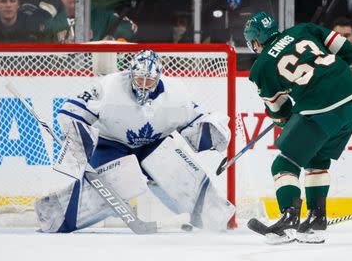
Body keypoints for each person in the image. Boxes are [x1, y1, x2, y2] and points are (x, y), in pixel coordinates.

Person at [34, 49, 235, 233]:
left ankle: (213, 215)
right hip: (111, 142)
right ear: (130, 74)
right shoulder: (109, 86)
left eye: (149, 81)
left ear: (158, 79)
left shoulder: (176, 95)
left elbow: (196, 121)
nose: (143, 86)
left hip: (153, 144)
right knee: (119, 180)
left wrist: (211, 131)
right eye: (139, 80)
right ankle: (56, 216)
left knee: (173, 166)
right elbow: (72, 110)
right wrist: (75, 136)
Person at [243, 12, 352, 244]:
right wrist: (326, 77)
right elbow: (348, 52)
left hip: (320, 107)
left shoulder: (261, 67)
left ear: (256, 42)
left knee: (284, 163)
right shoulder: (305, 29)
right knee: (316, 159)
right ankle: (316, 222)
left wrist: (294, 112)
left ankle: (288, 217)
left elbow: (281, 112)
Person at [41, 0, 137, 43]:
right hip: (64, 70)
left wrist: (111, 40)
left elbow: (129, 28)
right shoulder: (51, 24)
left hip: (95, 69)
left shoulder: (101, 15)